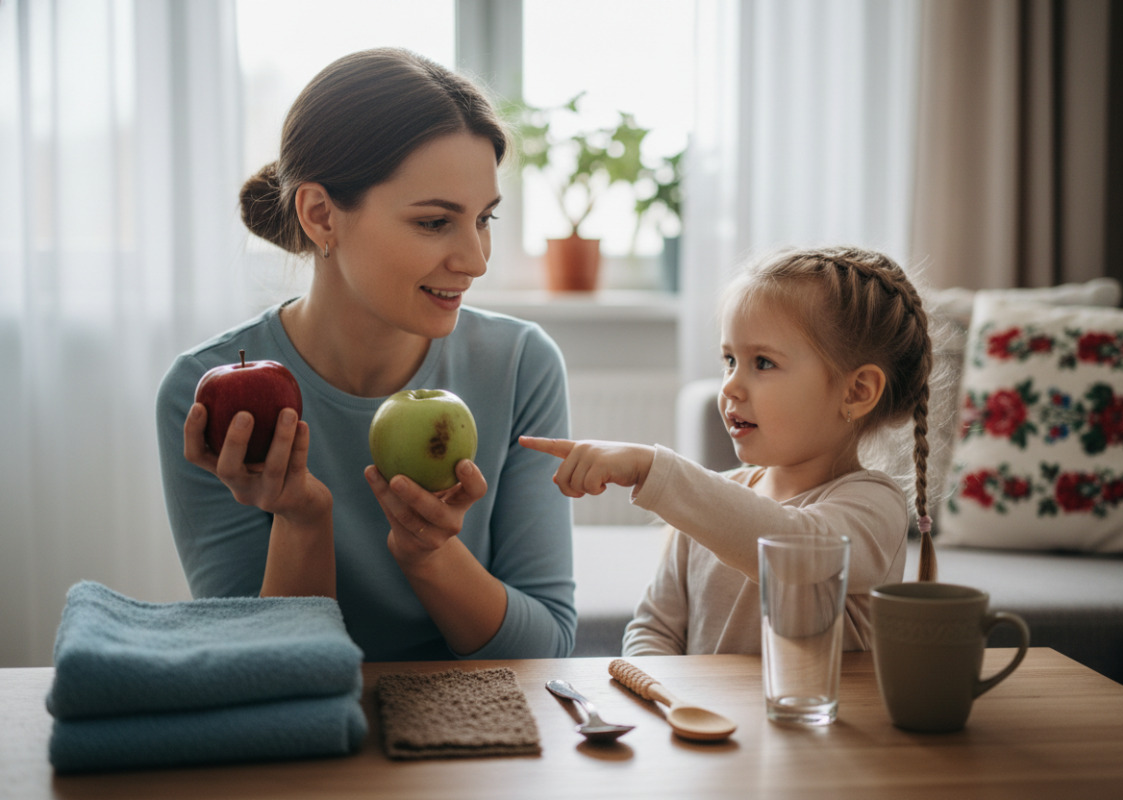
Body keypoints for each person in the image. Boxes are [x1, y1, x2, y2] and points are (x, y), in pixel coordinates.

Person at [156, 48, 575, 662]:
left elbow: (548, 650)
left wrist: (430, 554)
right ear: (321, 215)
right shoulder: (201, 395)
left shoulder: (520, 366)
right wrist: (300, 519)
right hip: (307, 745)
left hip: (483, 740)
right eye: (435, 222)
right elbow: (261, 671)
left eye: (483, 219)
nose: (476, 260)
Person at [521, 246, 936, 655]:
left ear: (857, 391)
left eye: (763, 363)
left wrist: (654, 470)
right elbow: (655, 629)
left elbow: (795, 550)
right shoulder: (703, 506)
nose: (730, 386)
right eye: (729, 360)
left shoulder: (876, 506)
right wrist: (661, 700)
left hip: (823, 725)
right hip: (705, 724)